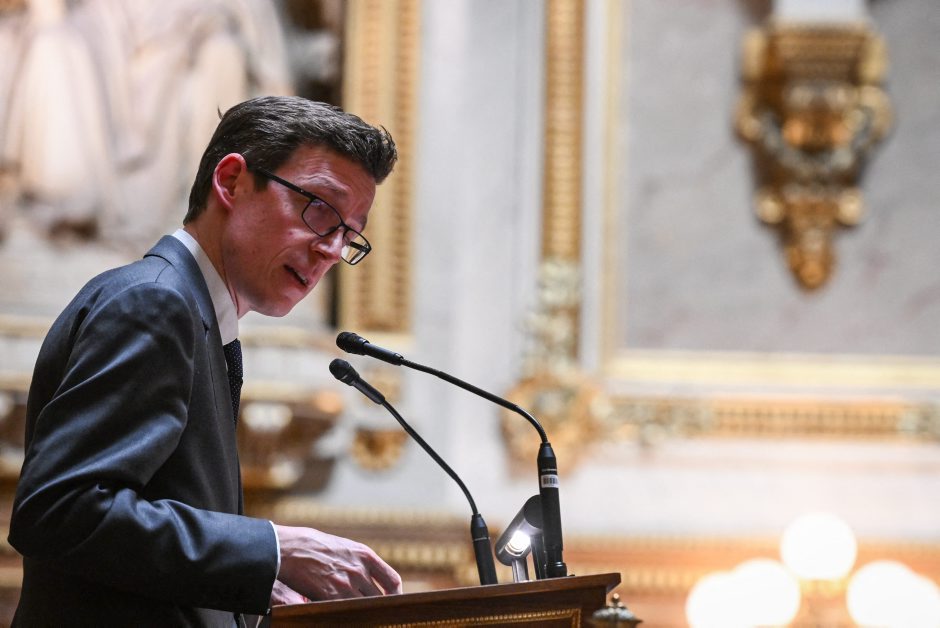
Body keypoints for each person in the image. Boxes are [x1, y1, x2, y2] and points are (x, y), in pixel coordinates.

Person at [7, 96, 402, 626]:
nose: (331, 249)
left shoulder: (201, 320)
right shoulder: (154, 302)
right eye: (321, 211)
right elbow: (61, 510)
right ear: (232, 181)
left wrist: (253, 584)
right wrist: (273, 550)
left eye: (348, 233)